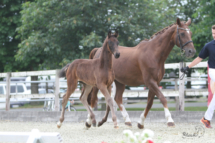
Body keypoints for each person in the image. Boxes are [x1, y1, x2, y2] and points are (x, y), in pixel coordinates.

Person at [181, 25, 215, 128]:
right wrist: (188, 67)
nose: (214, 35)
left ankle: (206, 119)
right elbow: (199, 58)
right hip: (214, 71)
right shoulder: (209, 46)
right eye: (213, 33)